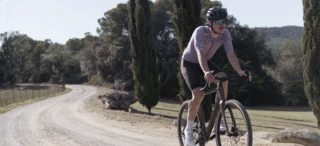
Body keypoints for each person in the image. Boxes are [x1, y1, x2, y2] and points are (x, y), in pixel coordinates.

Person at [180, 6, 252, 146]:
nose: (222, 25)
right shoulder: (200, 32)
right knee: (198, 95)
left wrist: (239, 71)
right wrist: (206, 72)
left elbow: (230, 54)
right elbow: (200, 54)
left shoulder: (225, 35)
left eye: (224, 21)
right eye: (219, 21)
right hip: (190, 63)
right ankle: (188, 131)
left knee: (223, 78)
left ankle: (220, 118)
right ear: (210, 22)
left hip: (205, 62)